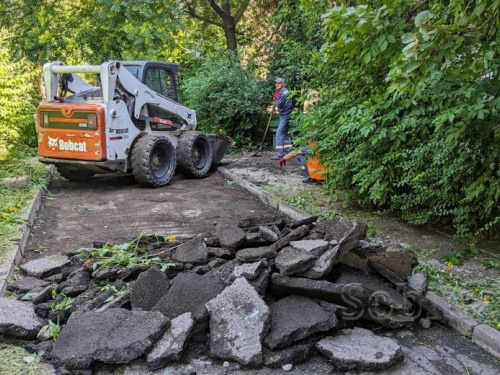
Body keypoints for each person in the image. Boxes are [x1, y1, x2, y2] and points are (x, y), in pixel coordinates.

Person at [271, 77, 293, 160]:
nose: (276, 84)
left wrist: (276, 98)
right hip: (285, 114)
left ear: (283, 84)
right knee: (286, 133)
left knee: (279, 133)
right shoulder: (282, 92)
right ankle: (288, 151)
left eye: (279, 83)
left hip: (285, 115)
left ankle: (279, 154)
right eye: (276, 83)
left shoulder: (284, 92)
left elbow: (279, 104)